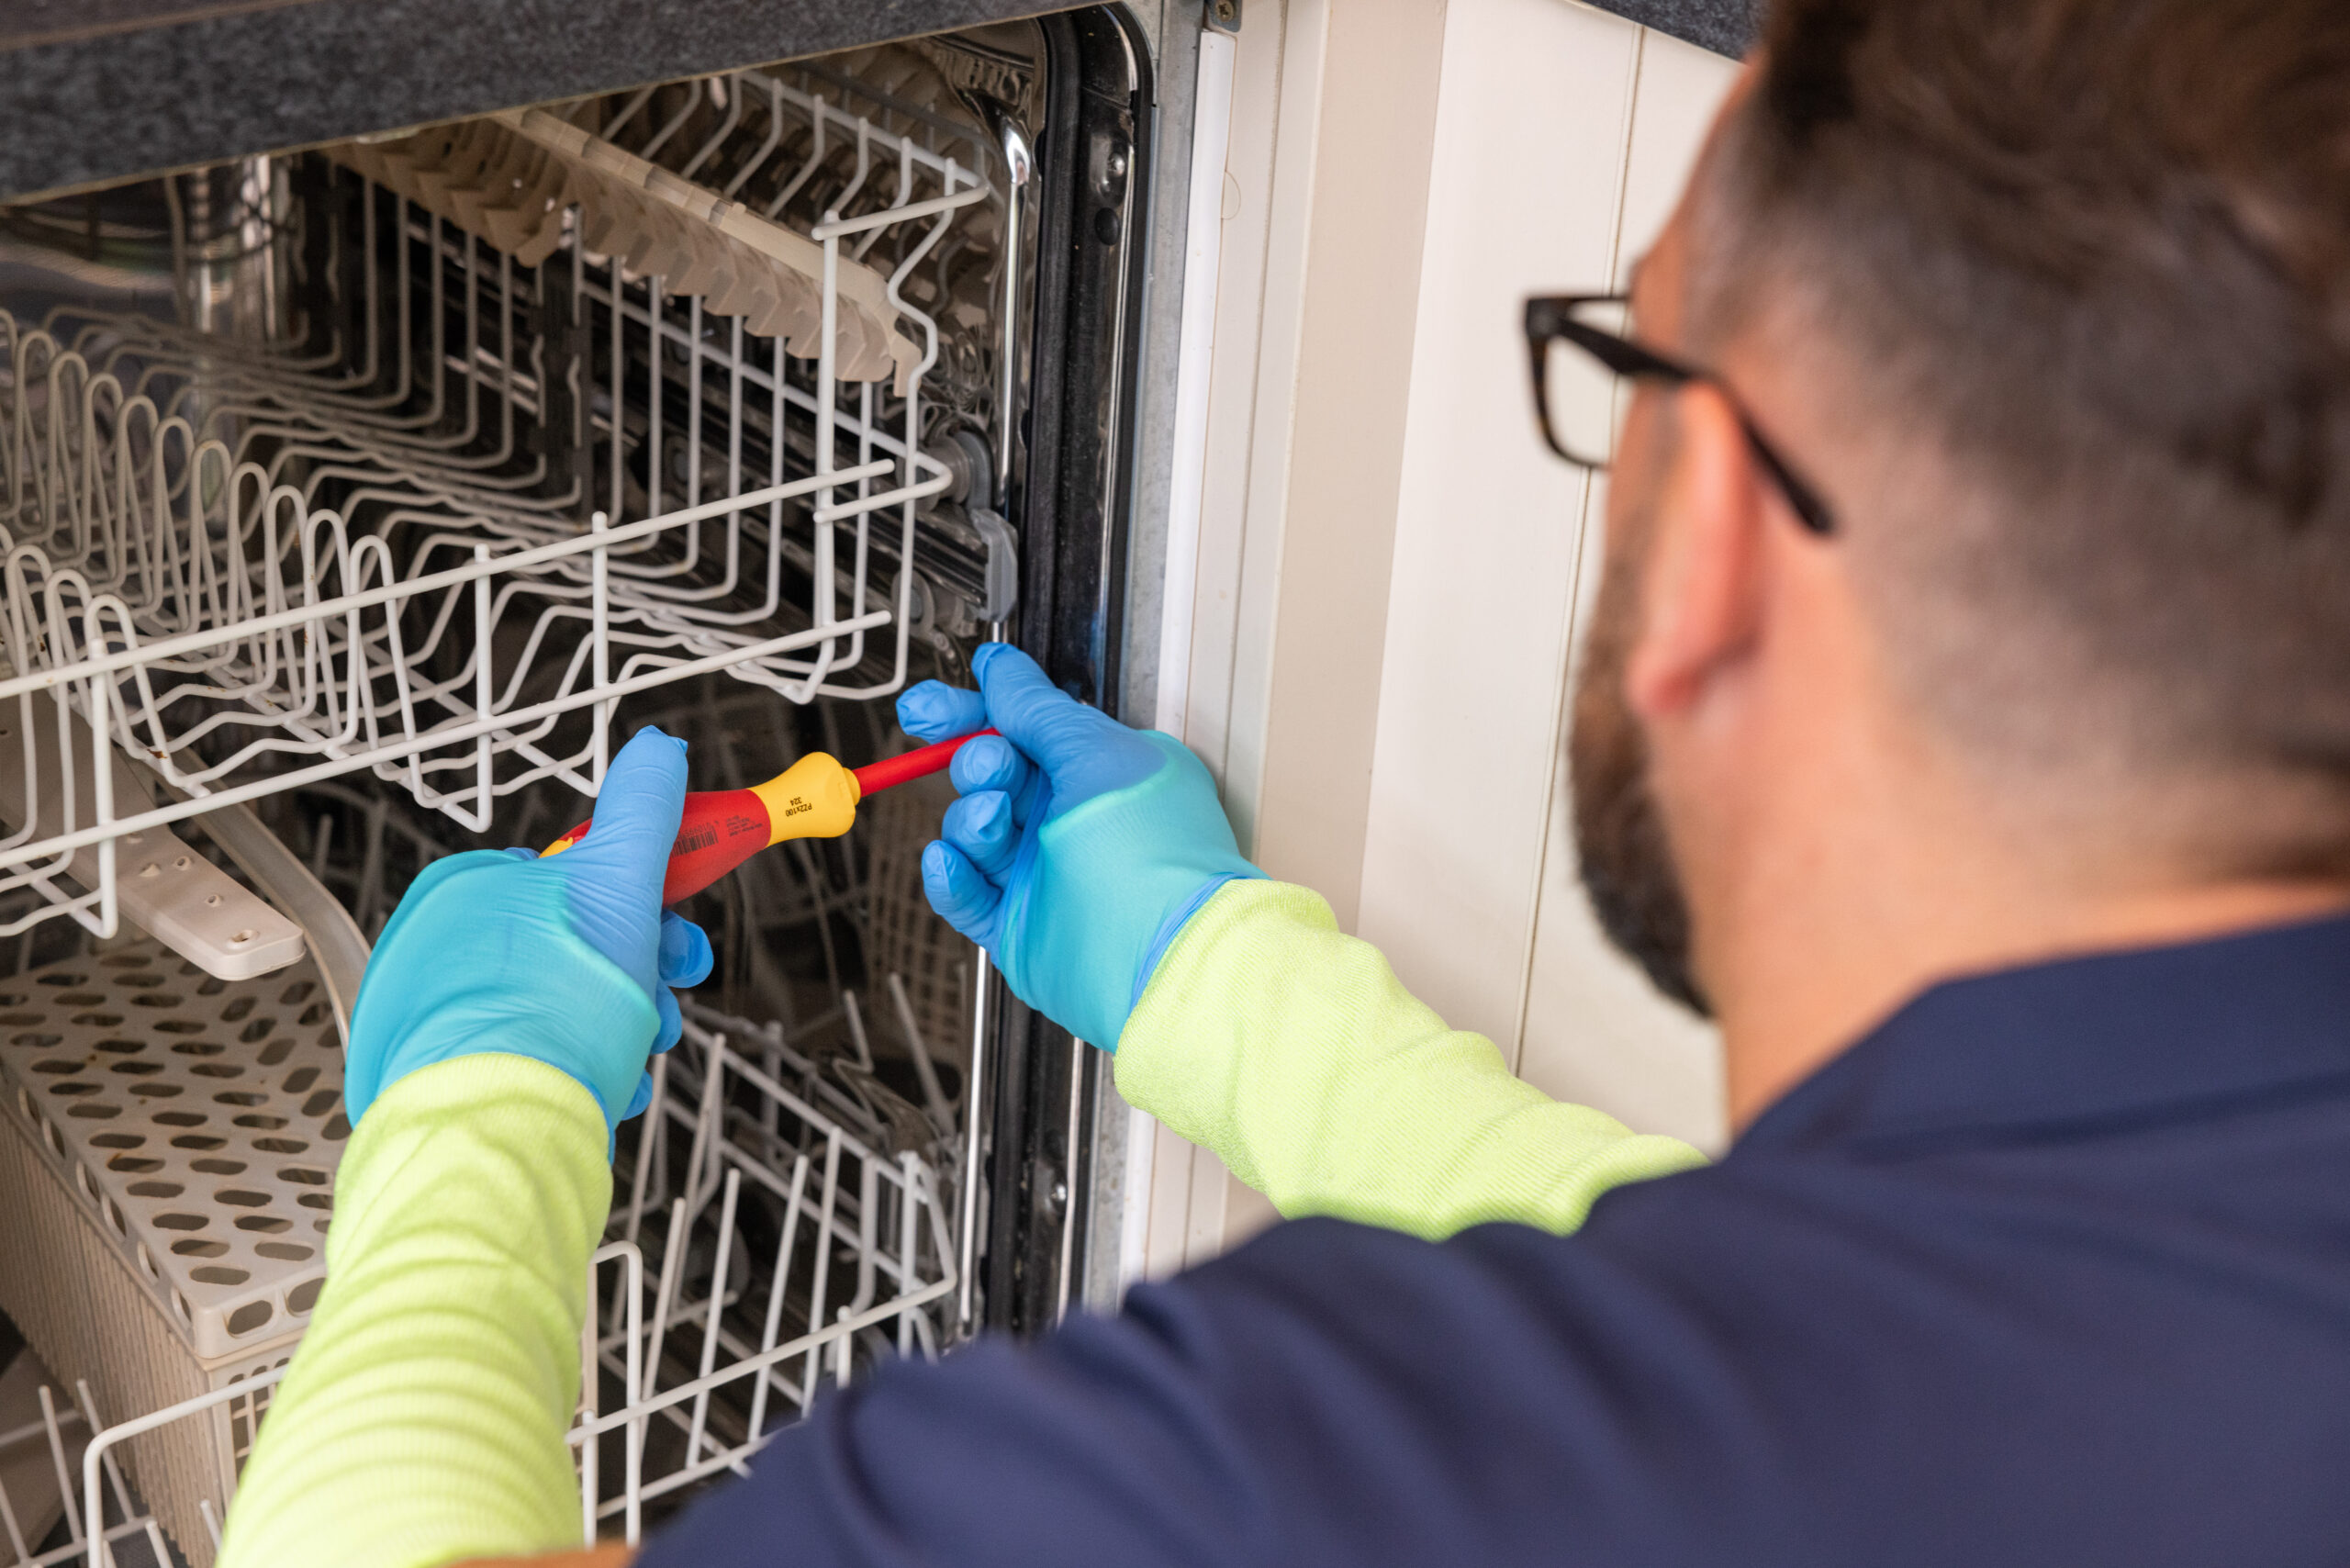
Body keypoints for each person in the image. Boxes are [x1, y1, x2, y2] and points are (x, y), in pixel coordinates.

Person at [218, 0, 2350, 1562]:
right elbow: (1813, 1324)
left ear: (1709, 535)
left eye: (1624, 367)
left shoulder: (1222, 1482)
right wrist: (1227, 981)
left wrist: (473, 1105)